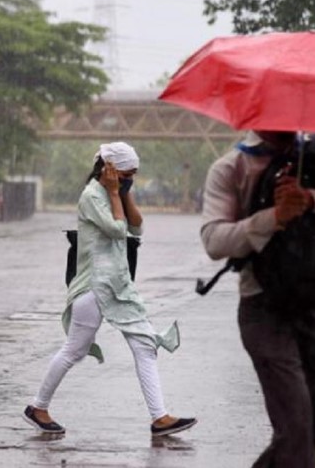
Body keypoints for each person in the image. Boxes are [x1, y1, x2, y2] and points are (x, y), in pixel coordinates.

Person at [200, 131, 315, 467]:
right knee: (296, 430)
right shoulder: (232, 167)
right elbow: (214, 240)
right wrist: (274, 217)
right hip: (264, 309)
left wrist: (314, 199)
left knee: (306, 432)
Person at [22, 142, 196, 437]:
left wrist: (123, 194)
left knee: (144, 346)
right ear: (109, 169)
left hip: (117, 285)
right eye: (127, 173)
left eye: (134, 175)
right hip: (94, 286)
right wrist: (115, 193)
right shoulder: (91, 196)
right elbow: (117, 230)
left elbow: (136, 228)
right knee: (74, 351)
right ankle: (38, 407)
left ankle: (160, 417)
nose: (131, 179)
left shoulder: (116, 194)